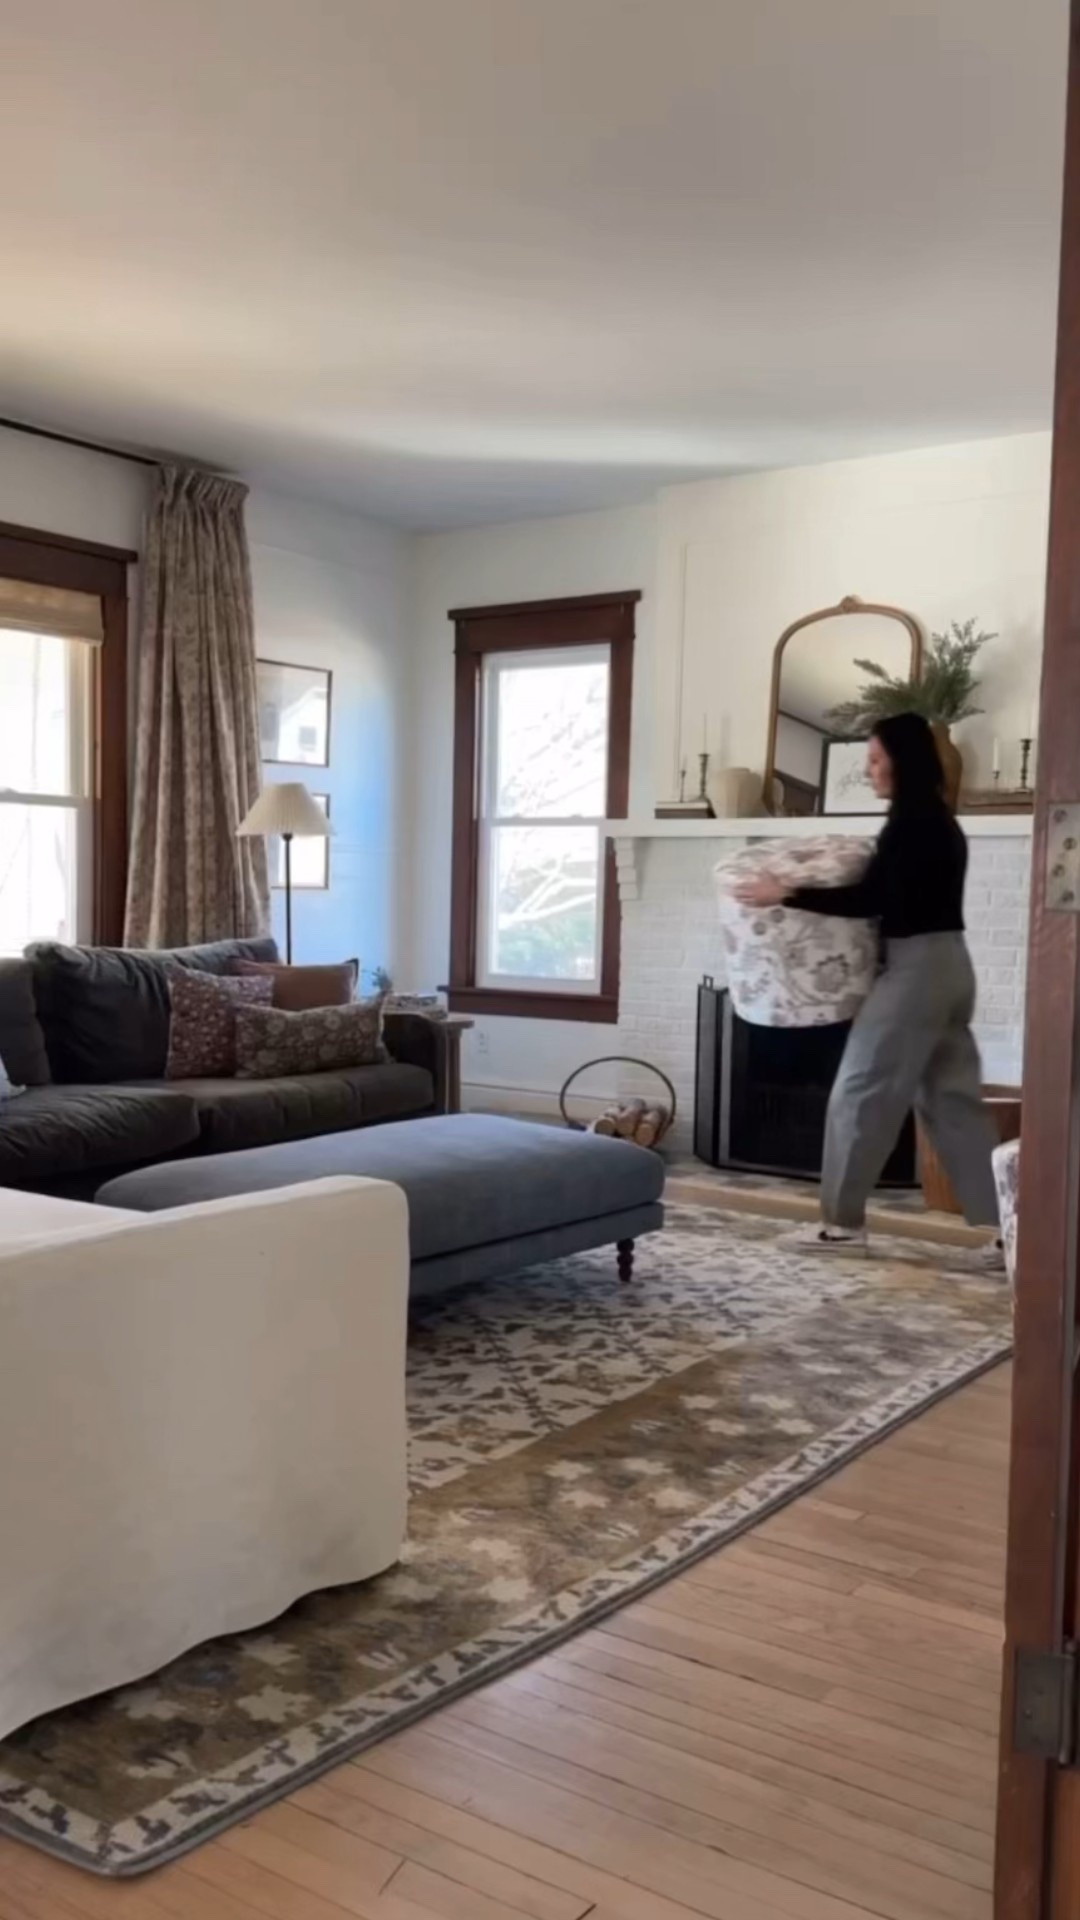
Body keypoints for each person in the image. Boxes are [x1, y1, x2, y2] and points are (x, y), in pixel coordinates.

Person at [734, 712, 1002, 1264]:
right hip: (952, 966)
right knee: (955, 1105)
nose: (870, 770)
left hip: (916, 974)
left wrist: (785, 890)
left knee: (859, 1092)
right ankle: (1013, 1229)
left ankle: (841, 1227)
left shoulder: (909, 826)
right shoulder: (943, 824)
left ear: (903, 760)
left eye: (877, 759)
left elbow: (870, 901)